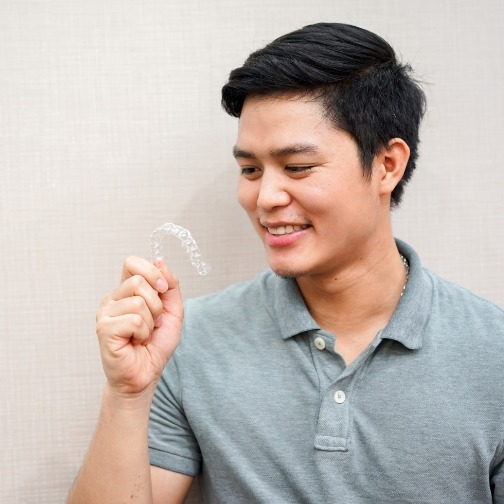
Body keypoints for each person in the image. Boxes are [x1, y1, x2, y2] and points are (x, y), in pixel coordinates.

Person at [67, 23, 504, 504]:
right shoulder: (187, 341)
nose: (265, 197)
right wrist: (126, 394)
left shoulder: (493, 353)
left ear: (386, 164)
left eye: (297, 167)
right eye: (250, 170)